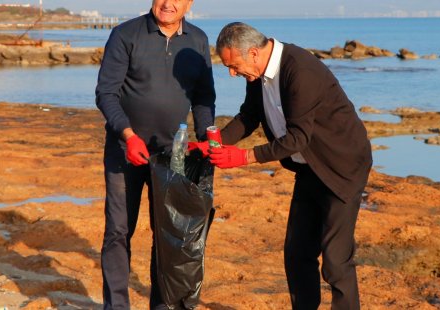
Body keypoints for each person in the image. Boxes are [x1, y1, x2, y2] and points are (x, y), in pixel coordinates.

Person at [191, 22, 372, 309]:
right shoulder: (257, 75)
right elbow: (249, 116)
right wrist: (216, 143)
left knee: (336, 261)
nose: (232, 72)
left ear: (252, 53)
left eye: (234, 65)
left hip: (342, 166)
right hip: (308, 168)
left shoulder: (300, 70)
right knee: (298, 253)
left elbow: (297, 138)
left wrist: (244, 157)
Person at [94, 0, 216, 308]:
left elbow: (204, 96)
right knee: (119, 231)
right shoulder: (125, 34)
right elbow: (106, 93)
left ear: (189, 3)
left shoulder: (198, 40)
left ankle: (162, 305)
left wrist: (206, 137)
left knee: (169, 236)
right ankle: (116, 305)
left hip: (173, 155)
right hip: (126, 150)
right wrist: (127, 133)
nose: (169, 3)